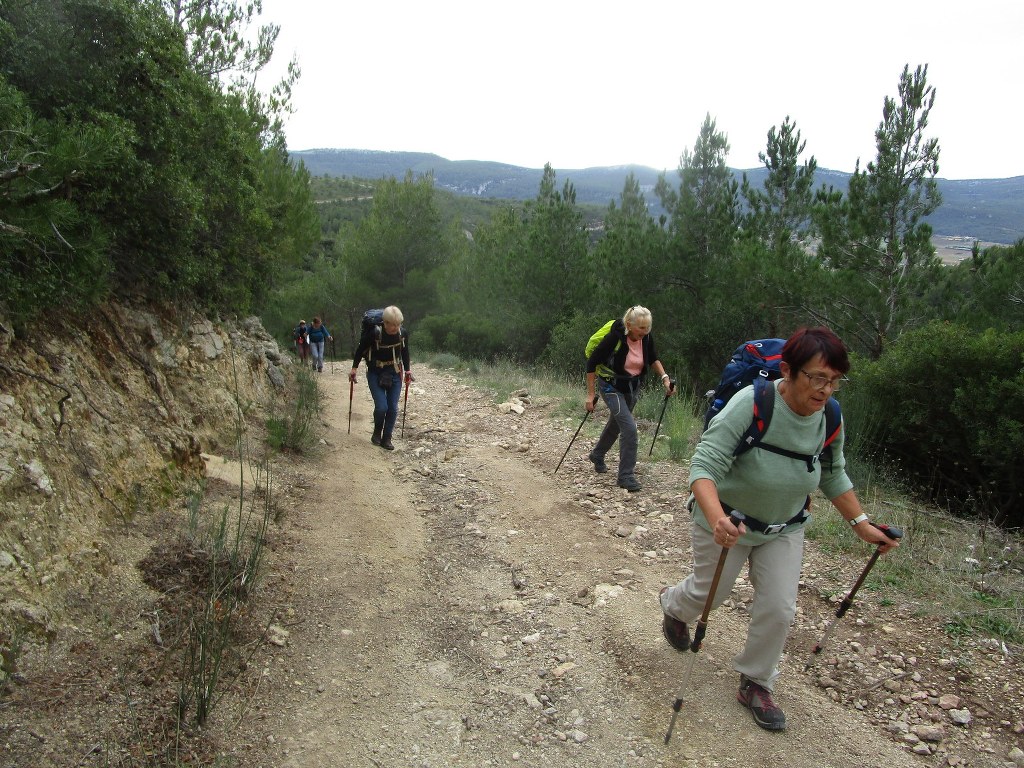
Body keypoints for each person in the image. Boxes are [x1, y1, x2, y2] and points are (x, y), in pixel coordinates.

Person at [658, 326, 899, 732]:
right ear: (788, 371)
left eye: (835, 381)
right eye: (817, 378)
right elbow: (703, 466)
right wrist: (718, 518)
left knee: (779, 606)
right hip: (729, 520)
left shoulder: (831, 416)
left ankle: (756, 682)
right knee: (709, 594)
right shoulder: (752, 403)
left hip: (785, 526)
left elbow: (833, 474)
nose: (826, 390)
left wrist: (862, 525)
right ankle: (673, 606)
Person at [585, 305, 674, 492]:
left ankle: (597, 454)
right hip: (610, 386)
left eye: (647, 327)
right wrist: (591, 394)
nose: (645, 331)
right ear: (628, 324)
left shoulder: (646, 338)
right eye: (641, 327)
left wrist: (665, 378)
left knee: (616, 424)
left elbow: (653, 359)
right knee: (629, 428)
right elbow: (592, 363)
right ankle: (625, 476)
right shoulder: (614, 338)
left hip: (631, 387)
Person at [349, 305, 413, 451]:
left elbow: (405, 351)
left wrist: (408, 370)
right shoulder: (374, 333)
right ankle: (377, 432)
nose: (396, 328)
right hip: (375, 371)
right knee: (381, 407)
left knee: (392, 408)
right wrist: (354, 369)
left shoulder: (402, 333)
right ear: (385, 322)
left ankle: (387, 438)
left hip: (395, 371)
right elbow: (360, 350)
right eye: (392, 325)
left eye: (398, 325)